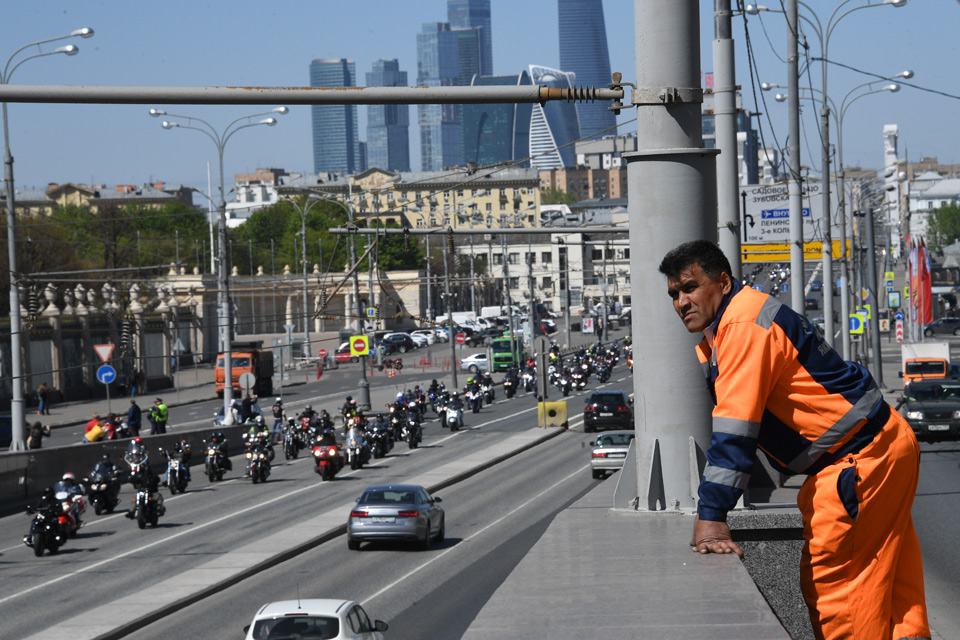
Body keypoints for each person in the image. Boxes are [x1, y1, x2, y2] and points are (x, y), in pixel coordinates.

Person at [658, 239, 929, 639]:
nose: (682, 301)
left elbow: (735, 432)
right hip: (882, 445)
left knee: (839, 592)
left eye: (690, 287)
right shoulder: (746, 318)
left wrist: (712, 518)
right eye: (674, 294)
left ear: (724, 282)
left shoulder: (743, 327)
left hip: (857, 463)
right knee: (894, 593)